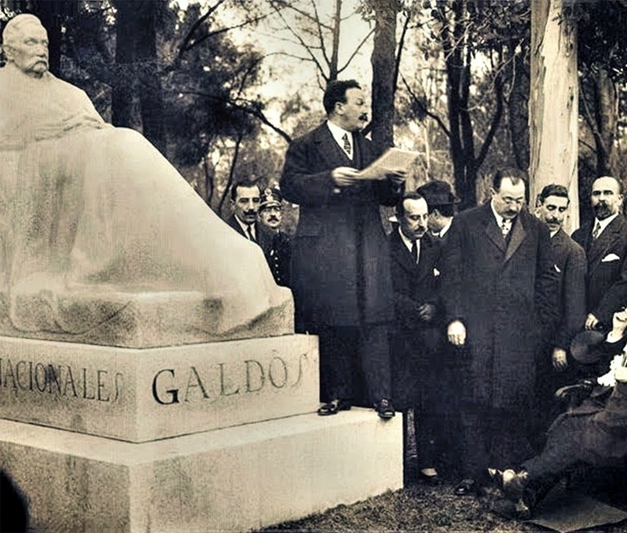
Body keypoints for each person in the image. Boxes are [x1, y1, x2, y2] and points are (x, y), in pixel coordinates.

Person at [0, 14, 290, 342]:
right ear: (9, 51)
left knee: (125, 143)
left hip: (91, 163)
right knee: (117, 146)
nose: (41, 50)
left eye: (44, 43)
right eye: (31, 42)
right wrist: (38, 138)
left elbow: (99, 131)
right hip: (42, 176)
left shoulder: (70, 94)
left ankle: (219, 259)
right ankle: (101, 267)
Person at [488, 271, 627, 519]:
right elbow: (607, 360)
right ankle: (526, 492)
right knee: (568, 426)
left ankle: (523, 478)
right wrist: (618, 332)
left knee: (586, 433)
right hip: (609, 399)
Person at [280, 79, 404, 419]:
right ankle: (337, 395)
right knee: (334, 321)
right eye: (360, 102)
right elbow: (289, 186)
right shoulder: (306, 145)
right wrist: (330, 179)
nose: (366, 109)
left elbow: (387, 199)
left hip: (368, 250)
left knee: (375, 322)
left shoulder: (370, 147)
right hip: (330, 252)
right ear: (339, 107)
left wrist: (394, 180)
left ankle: (381, 398)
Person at [439, 168, 559, 496]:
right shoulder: (466, 223)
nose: (514, 206)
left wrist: (540, 328)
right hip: (475, 331)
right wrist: (455, 319)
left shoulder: (535, 228)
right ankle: (471, 473)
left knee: (511, 403)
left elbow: (547, 281)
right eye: (508, 199)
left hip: (518, 336)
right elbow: (451, 276)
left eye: (520, 200)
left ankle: (506, 468)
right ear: (491, 192)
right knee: (473, 401)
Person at [389, 192, 444, 482]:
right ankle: (394, 463)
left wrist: (434, 307)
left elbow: (447, 283)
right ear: (399, 217)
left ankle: (427, 461)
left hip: (429, 338)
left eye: (425, 216)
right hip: (398, 337)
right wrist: (414, 309)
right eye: (414, 217)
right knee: (400, 400)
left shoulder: (437, 245)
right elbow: (383, 291)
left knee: (429, 400)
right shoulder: (385, 248)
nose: (422, 223)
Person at [572, 176, 627, 333]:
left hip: (606, 323)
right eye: (596, 194)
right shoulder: (578, 235)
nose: (601, 199)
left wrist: (600, 313)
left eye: (608, 193)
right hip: (576, 320)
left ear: (619, 199)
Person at [535, 185, 587, 413]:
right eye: (550, 208)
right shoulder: (526, 242)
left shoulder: (572, 251)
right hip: (523, 340)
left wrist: (560, 345)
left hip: (550, 342)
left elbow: (575, 307)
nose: (555, 215)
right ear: (539, 205)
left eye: (561, 209)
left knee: (546, 403)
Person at [257, 187, 292, 287]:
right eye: (267, 210)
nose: (273, 214)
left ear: (281, 215)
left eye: (276, 210)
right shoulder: (255, 241)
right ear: (260, 216)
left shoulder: (288, 241)